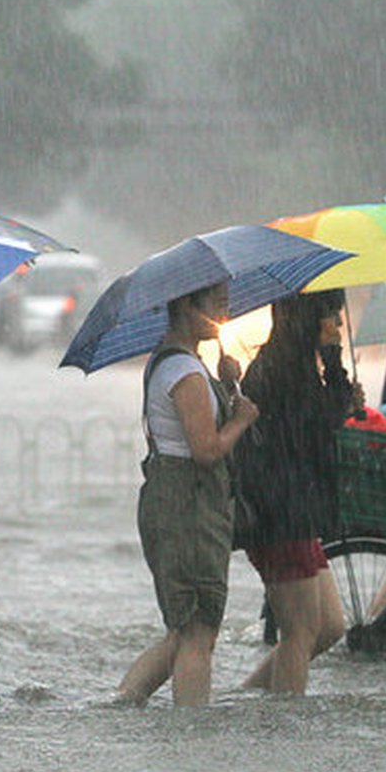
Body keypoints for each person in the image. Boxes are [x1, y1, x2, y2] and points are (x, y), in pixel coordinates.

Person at [117, 283, 259, 707]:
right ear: (183, 305)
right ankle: (191, 733)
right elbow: (207, 450)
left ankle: (123, 703)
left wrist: (228, 385)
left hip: (172, 501)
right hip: (190, 507)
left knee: (183, 628)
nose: (223, 314)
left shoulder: (172, 363)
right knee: (200, 629)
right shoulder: (185, 372)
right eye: (215, 305)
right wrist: (244, 418)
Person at [235, 290, 361, 694]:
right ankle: (284, 726)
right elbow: (314, 426)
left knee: (329, 627)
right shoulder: (280, 368)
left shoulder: (296, 366)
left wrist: (338, 391)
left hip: (295, 511)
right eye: (332, 316)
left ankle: (246, 698)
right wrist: (336, 361)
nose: (339, 325)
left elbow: (320, 421)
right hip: (279, 513)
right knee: (301, 631)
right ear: (312, 317)